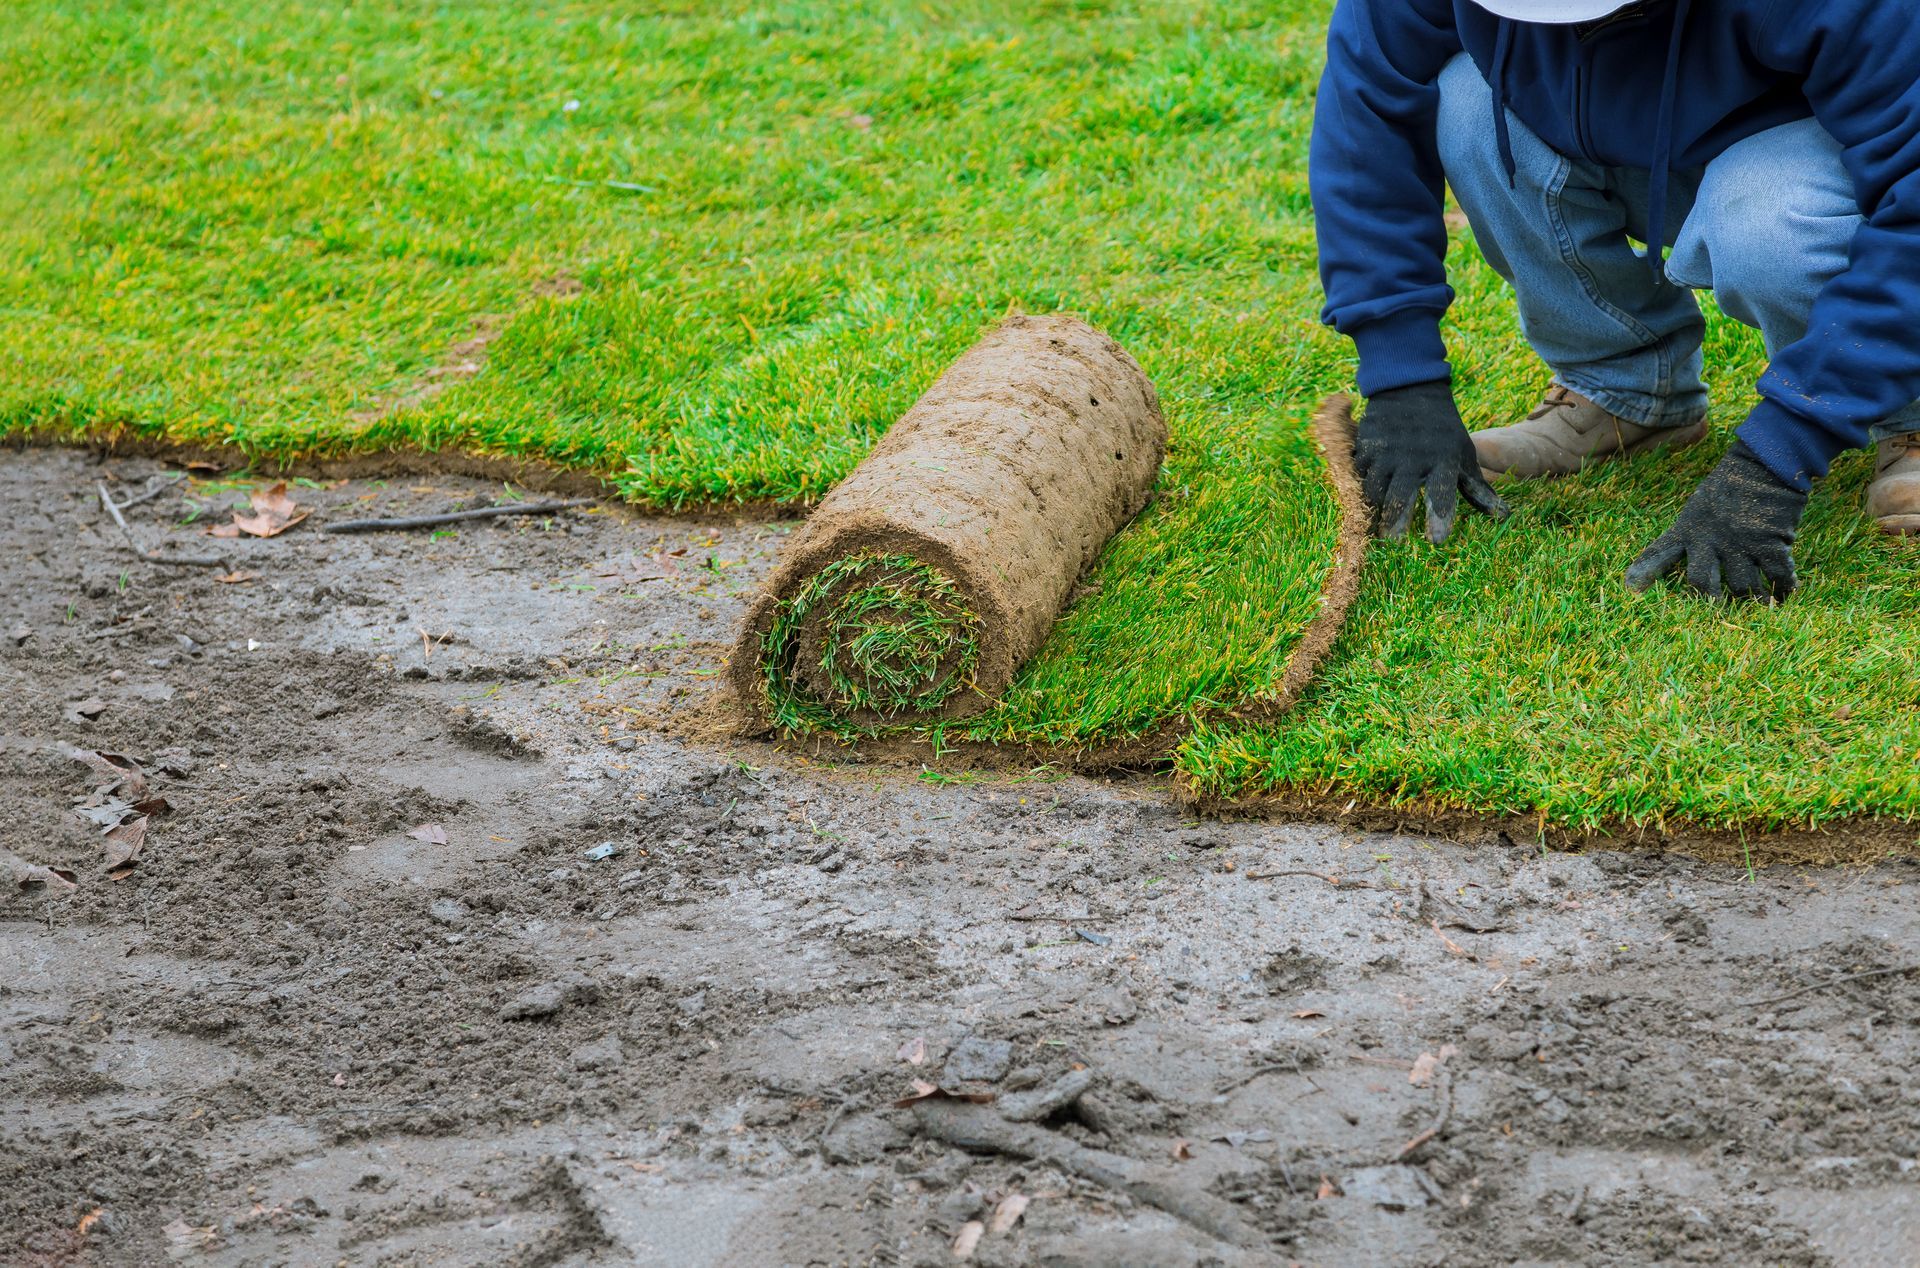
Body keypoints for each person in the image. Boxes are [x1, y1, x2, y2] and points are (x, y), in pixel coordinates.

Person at [1309, 0, 1920, 600]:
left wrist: (1780, 453)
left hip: (1811, 138)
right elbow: (1365, 121)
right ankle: (1628, 393)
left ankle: (1908, 413)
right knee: (1466, 103)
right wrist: (1403, 381)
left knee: (1771, 227)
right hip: (1619, 122)